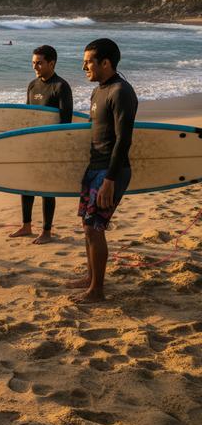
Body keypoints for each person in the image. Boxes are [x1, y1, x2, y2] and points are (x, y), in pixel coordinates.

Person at [70, 38, 137, 304]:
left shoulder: (121, 91)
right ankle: (90, 279)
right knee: (88, 227)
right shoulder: (98, 91)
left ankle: (97, 290)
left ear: (106, 62)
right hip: (93, 167)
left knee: (95, 228)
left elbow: (124, 140)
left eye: (88, 61)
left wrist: (109, 179)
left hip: (110, 171)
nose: (84, 66)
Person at [9, 45, 73, 244]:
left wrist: (56, 148)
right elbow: (28, 117)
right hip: (32, 144)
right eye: (33, 63)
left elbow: (66, 122)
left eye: (39, 63)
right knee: (25, 185)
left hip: (50, 146)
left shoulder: (61, 87)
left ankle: (46, 231)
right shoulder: (32, 85)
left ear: (51, 63)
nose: (35, 66)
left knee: (46, 189)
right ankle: (26, 226)